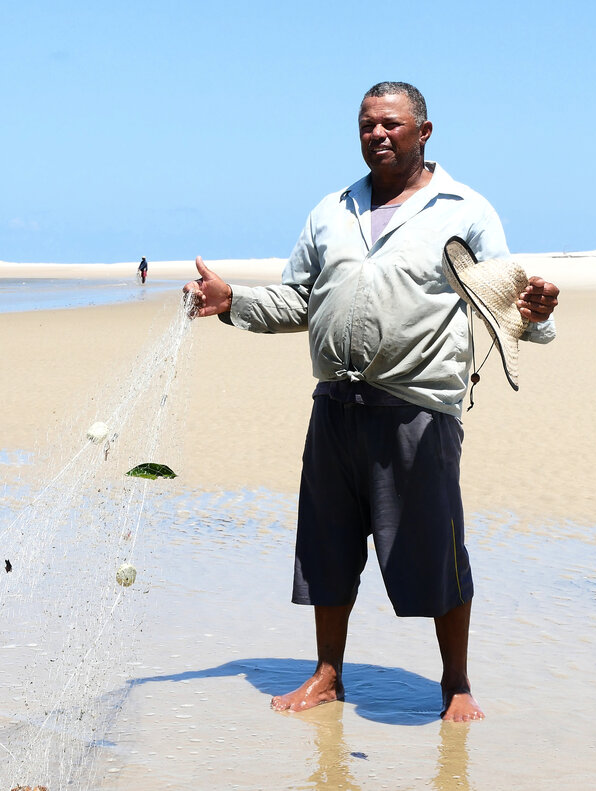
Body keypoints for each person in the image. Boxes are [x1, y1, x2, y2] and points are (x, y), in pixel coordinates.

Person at [183, 82, 559, 722]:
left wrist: (535, 314)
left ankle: (456, 685)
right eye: (366, 125)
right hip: (335, 406)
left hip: (418, 409)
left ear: (425, 131)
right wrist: (232, 303)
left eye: (392, 124)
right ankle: (327, 675)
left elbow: (507, 301)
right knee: (326, 548)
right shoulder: (331, 210)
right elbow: (301, 300)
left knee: (435, 550)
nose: (378, 134)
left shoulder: (464, 209)